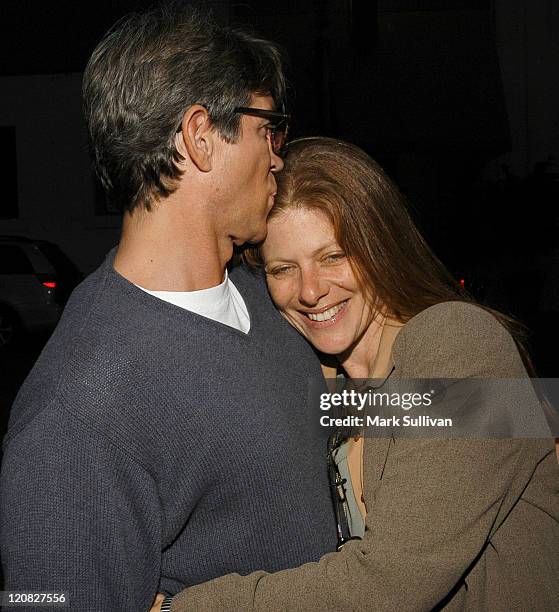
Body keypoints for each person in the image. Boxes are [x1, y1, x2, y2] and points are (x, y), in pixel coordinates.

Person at [0, 9, 336, 611]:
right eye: (270, 128)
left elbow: (328, 409)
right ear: (200, 137)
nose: (278, 157)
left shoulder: (268, 292)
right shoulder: (79, 410)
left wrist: (514, 410)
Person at [156, 138, 559, 611]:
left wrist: (184, 608)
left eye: (333, 257)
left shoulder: (456, 340)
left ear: (380, 246)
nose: (311, 291)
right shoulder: (339, 386)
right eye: (284, 268)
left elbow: (392, 582)